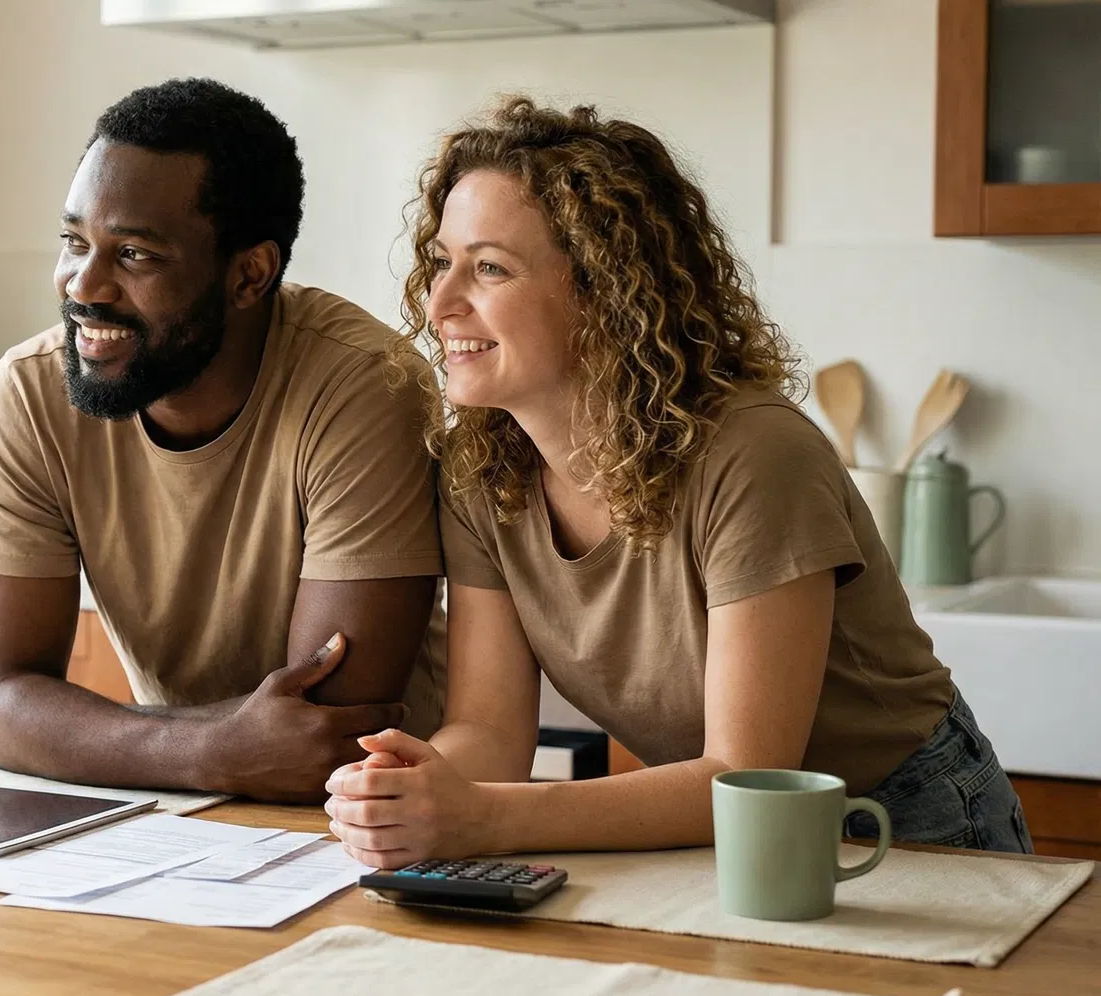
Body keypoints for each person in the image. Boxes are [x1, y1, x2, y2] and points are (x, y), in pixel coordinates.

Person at [326, 98, 1032, 861]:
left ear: (605, 291)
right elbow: (490, 733)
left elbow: (747, 775)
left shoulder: (756, 456)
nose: (438, 303)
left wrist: (483, 819)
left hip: (904, 822)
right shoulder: (485, 473)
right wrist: (414, 788)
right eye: (441, 262)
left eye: (489, 267)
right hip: (718, 831)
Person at [0, 78, 445, 803]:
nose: (82, 285)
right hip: (182, 806)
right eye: (74, 241)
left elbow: (327, 735)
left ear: (250, 275)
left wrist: (129, 741)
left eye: (136, 256)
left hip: (388, 816)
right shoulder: (29, 393)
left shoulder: (363, 384)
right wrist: (210, 749)